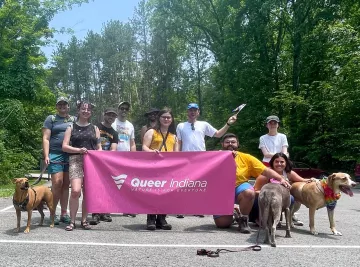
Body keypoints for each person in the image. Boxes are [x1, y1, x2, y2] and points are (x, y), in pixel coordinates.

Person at [213, 133, 291, 234]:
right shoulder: (214, 157)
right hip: (221, 190)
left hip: (239, 186)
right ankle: (235, 214)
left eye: (233, 142)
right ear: (222, 144)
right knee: (222, 224)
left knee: (249, 192)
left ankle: (244, 220)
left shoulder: (246, 157)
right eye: (227, 142)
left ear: (238, 144)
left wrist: (280, 178)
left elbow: (265, 170)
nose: (230, 144)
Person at [176, 103, 238, 218]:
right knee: (184, 183)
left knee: (199, 183)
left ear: (198, 112)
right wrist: (176, 156)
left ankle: (198, 207)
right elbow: (178, 142)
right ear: (187, 112)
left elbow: (218, 134)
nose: (192, 112)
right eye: (190, 110)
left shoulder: (203, 124)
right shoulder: (180, 126)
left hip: (201, 159)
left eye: (195, 110)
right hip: (185, 159)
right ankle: (181, 208)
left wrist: (228, 123)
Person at [62, 100, 102, 231]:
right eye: (83, 109)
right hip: (75, 160)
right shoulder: (71, 127)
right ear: (78, 110)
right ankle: (72, 221)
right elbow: (64, 146)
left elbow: (99, 147)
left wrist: (100, 158)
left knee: (88, 192)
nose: (86, 111)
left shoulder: (95, 128)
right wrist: (78, 150)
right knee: (75, 191)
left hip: (91, 163)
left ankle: (84, 220)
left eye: (88, 109)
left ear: (91, 112)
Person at [251, 152, 313, 226]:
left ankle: (282, 217)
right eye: (276, 162)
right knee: (271, 198)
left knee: (291, 198)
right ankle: (259, 218)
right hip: (261, 200)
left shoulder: (288, 173)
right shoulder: (265, 174)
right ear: (272, 163)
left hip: (278, 199)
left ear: (286, 163)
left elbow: (303, 180)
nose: (279, 164)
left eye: (282, 162)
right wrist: (269, 193)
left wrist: (313, 180)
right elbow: (255, 191)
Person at [142, 108, 179, 230]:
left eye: (169, 117)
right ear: (159, 118)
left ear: (172, 119)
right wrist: (152, 151)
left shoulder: (174, 137)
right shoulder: (152, 132)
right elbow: (144, 148)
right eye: (164, 117)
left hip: (168, 169)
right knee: (152, 193)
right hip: (153, 168)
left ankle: (162, 219)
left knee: (166, 194)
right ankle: (151, 218)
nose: (166, 119)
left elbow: (176, 154)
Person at [42, 96, 75, 225]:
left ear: (68, 106)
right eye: (59, 104)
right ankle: (52, 212)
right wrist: (46, 155)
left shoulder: (74, 120)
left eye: (64, 104)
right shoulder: (51, 119)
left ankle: (64, 213)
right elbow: (45, 138)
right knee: (57, 183)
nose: (62, 106)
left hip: (70, 155)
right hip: (55, 154)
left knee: (66, 184)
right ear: (56, 106)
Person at [90, 108, 119, 225]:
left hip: (107, 163)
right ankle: (95, 213)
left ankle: (105, 211)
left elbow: (113, 148)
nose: (111, 117)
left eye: (113, 116)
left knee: (107, 187)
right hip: (94, 161)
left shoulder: (114, 133)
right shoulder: (95, 127)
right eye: (109, 115)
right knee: (96, 187)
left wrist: (108, 159)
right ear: (104, 115)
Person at [111, 101, 136, 217]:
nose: (124, 110)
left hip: (126, 158)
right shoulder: (113, 123)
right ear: (118, 109)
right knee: (111, 182)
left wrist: (134, 157)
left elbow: (132, 142)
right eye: (122, 108)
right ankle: (108, 207)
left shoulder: (130, 125)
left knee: (126, 184)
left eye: (126, 109)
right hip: (113, 157)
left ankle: (127, 208)